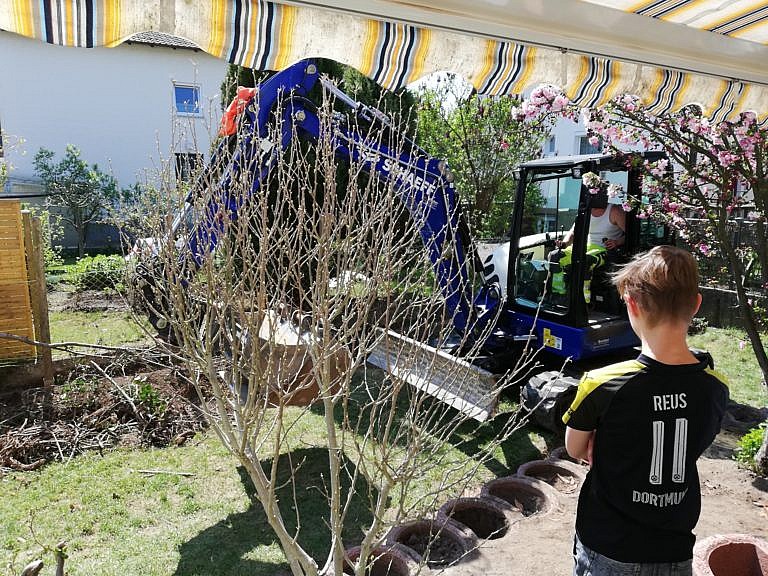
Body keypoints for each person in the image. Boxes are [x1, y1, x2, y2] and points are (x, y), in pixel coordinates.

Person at [562, 245, 729, 576]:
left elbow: (575, 448)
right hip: (675, 547)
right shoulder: (716, 385)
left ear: (632, 304)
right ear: (696, 304)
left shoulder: (601, 382)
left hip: (608, 547)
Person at [559, 189, 626, 250]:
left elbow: (632, 235)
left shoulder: (615, 211)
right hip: (587, 250)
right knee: (555, 255)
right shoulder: (584, 211)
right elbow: (574, 232)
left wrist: (617, 242)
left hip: (607, 253)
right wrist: (564, 244)